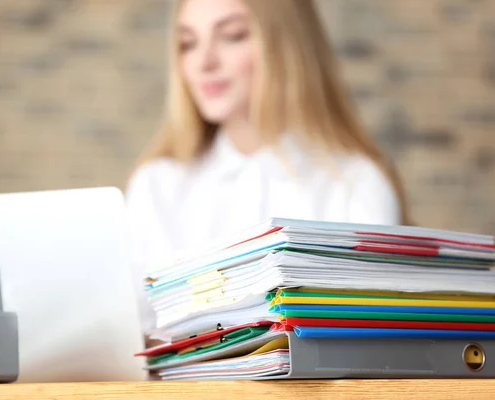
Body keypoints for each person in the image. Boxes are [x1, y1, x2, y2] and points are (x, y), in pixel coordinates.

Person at [125, 0, 408, 332]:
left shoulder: (355, 182)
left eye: (233, 36)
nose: (205, 62)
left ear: (287, 47)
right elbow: (134, 326)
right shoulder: (156, 185)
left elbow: (373, 335)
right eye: (188, 43)